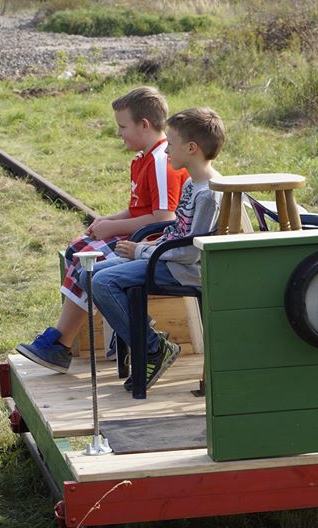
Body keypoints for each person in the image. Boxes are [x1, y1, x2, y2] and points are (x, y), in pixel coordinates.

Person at [17, 86, 188, 373]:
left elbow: (164, 217)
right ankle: (67, 340)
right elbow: (137, 209)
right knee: (77, 249)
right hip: (142, 230)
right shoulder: (143, 158)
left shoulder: (160, 161)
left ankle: (62, 342)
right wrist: (106, 222)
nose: (119, 133)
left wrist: (115, 228)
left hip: (152, 239)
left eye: (123, 126)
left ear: (144, 125)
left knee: (87, 260)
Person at [90, 107, 225, 390]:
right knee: (90, 275)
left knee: (103, 281)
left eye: (171, 145)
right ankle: (147, 337)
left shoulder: (209, 194)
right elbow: (177, 232)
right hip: (168, 261)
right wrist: (145, 246)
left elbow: (191, 251)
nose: (166, 152)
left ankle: (153, 348)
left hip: (184, 270)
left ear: (191, 148)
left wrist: (140, 251)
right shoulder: (191, 183)